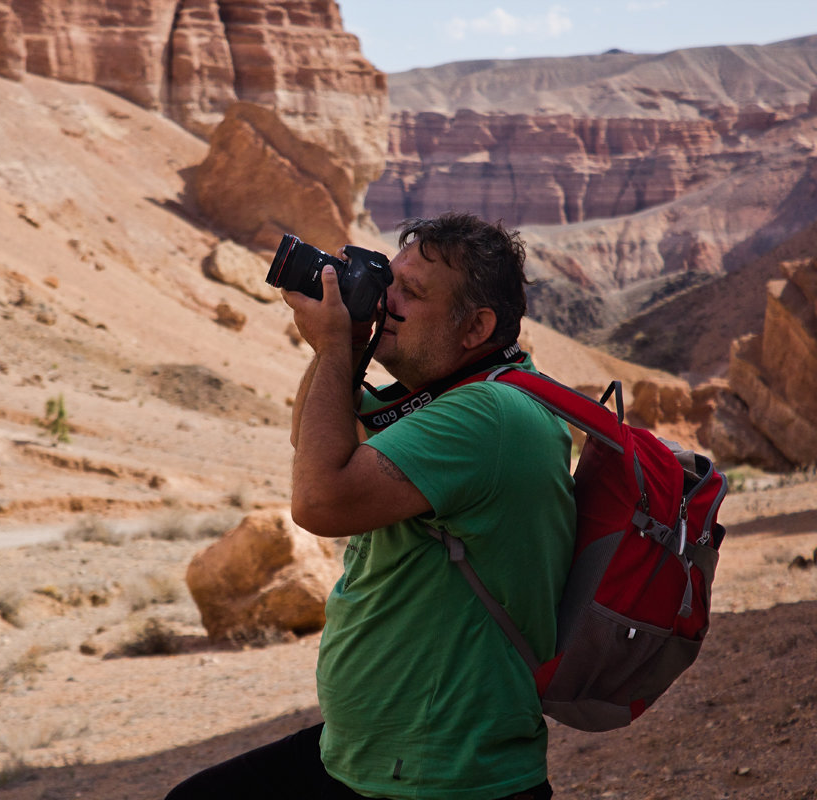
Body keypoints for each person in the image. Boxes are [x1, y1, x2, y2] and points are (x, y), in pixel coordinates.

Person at [165, 212, 576, 800]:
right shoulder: (442, 399)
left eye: (411, 292)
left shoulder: (488, 415)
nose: (388, 298)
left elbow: (319, 501)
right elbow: (311, 438)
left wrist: (337, 347)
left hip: (444, 775)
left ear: (475, 327)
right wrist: (346, 344)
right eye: (390, 279)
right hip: (373, 757)